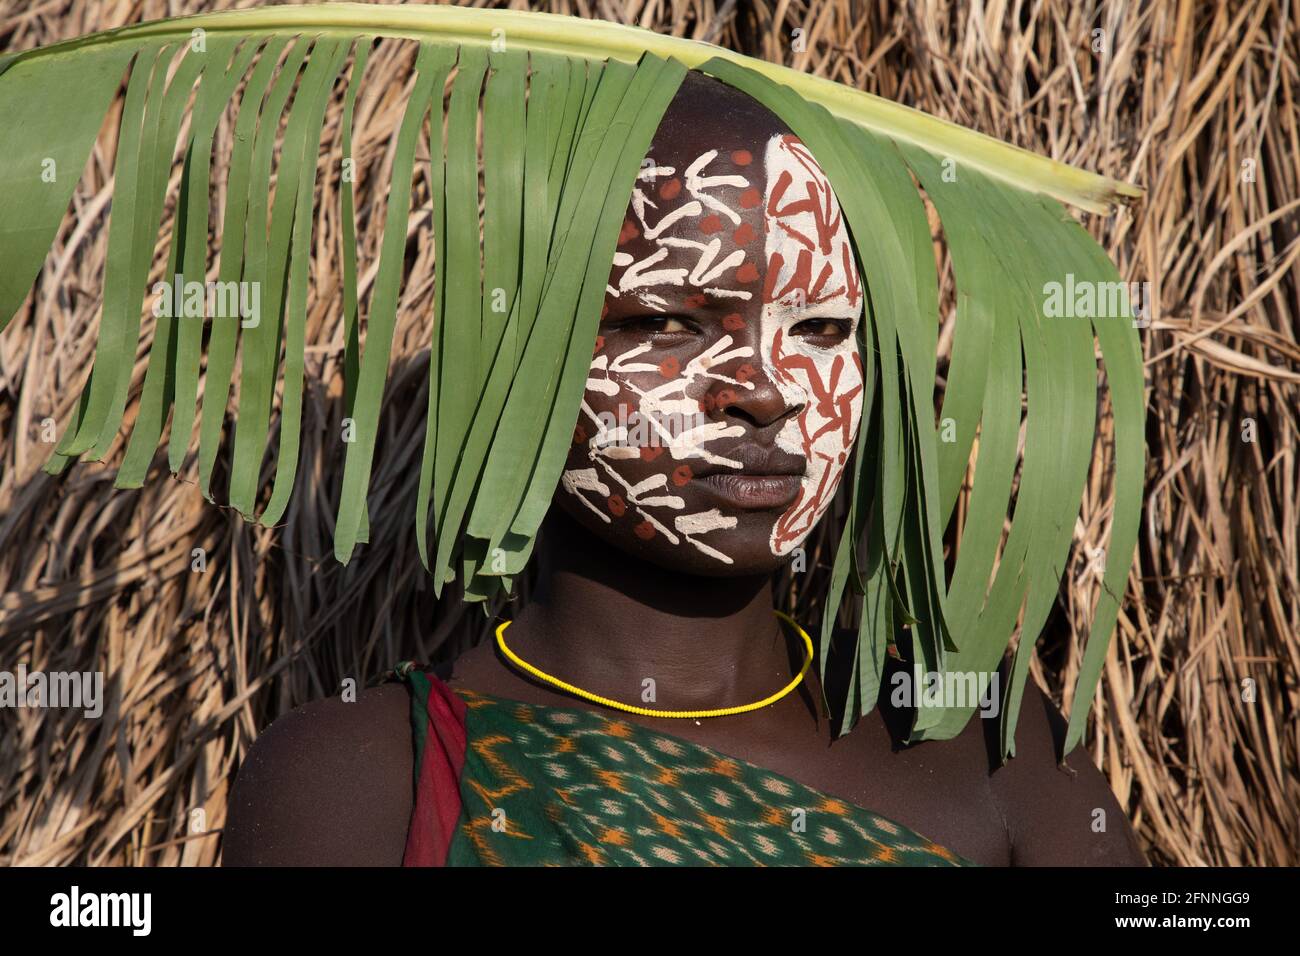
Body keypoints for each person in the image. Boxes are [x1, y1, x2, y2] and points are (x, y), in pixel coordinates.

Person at [221, 71, 1145, 867]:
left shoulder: (982, 744)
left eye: (819, 329)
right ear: (521, 358)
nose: (768, 391)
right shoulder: (361, 782)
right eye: (668, 322)